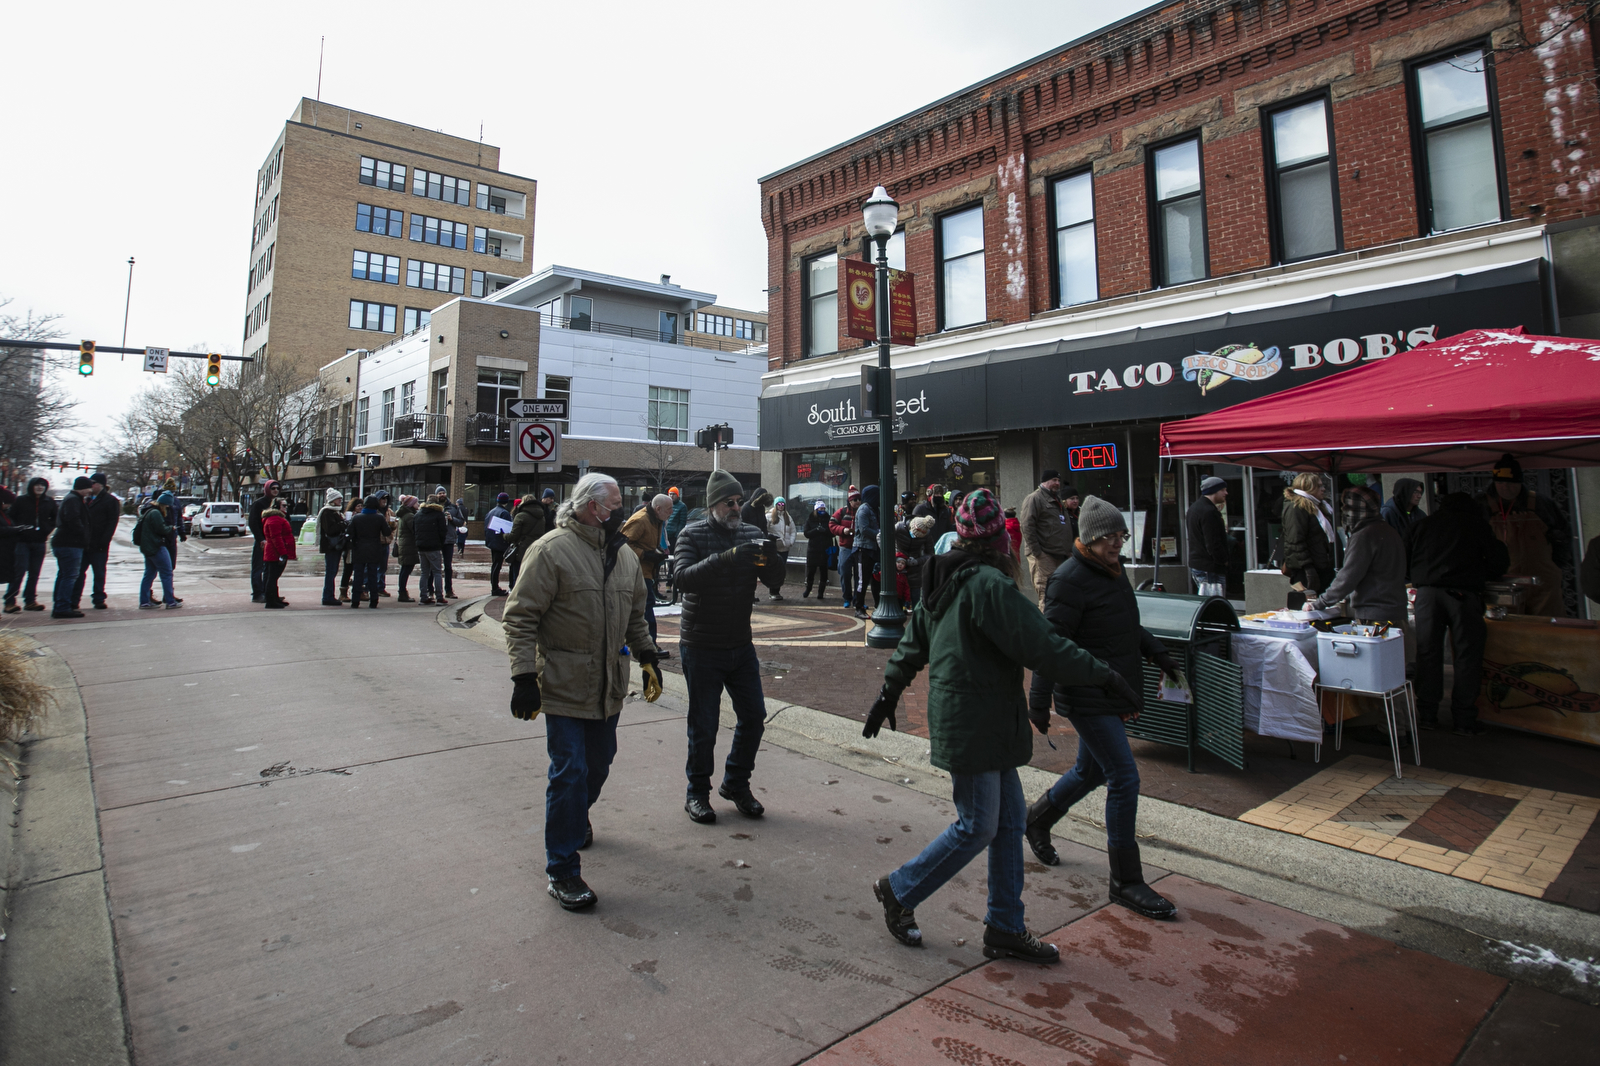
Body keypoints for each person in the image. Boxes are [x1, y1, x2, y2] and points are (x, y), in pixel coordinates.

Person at [864, 489, 1127, 961]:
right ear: (996, 544)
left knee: (1007, 824)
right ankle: (900, 890)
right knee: (978, 825)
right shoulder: (989, 586)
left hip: (979, 721)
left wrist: (889, 692)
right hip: (976, 723)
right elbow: (1045, 646)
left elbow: (912, 644)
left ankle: (1005, 923)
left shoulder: (944, 577)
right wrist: (1104, 675)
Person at [503, 473, 663, 911]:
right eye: (613, 506)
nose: (620, 513)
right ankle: (563, 869)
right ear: (592, 508)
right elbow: (519, 618)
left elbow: (635, 614)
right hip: (563, 684)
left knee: (598, 765)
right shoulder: (551, 551)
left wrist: (648, 656)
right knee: (569, 772)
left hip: (609, 684)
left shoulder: (624, 557)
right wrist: (522, 679)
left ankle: (577, 815)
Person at [1023, 497, 1184, 920]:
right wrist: (1038, 703)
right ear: (1090, 538)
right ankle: (1125, 880)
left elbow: (1127, 625)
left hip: (1114, 688)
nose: (1118, 543)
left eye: (1121, 535)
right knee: (1124, 777)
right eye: (1110, 537)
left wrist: (1160, 655)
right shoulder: (1068, 580)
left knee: (1090, 771)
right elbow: (1050, 647)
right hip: (1086, 693)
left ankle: (1036, 820)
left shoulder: (1112, 572)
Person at [672, 468, 784, 825]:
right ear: (713, 505)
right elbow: (682, 579)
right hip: (702, 644)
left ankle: (736, 783)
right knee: (704, 724)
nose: (736, 507)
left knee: (753, 716)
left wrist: (771, 558)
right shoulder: (692, 533)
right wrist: (727, 558)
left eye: (739, 501)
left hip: (740, 643)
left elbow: (774, 580)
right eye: (729, 502)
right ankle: (697, 793)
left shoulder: (751, 531)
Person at [1407, 492, 1510, 736]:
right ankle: (1464, 719)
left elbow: (1406, 560)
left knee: (1427, 653)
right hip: (1463, 596)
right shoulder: (1476, 525)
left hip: (1427, 595)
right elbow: (1498, 562)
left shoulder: (1423, 525)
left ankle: (1428, 715)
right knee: (1466, 656)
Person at [1480, 453, 1571, 617]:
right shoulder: (1482, 505)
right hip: (1502, 582)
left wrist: (1556, 565)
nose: (1506, 488)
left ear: (1520, 483)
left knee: (1547, 626)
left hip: (1543, 581)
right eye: (1501, 483)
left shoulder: (1541, 504)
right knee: (1506, 627)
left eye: (1512, 484)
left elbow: (1562, 536)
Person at [1306, 488, 1407, 628]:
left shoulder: (1364, 535)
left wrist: (1320, 603)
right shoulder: (1389, 530)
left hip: (1375, 615)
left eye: (1347, 507)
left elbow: (1349, 576)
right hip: (1396, 610)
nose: (1344, 512)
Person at [621, 494, 672, 640]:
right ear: (658, 508)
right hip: (638, 570)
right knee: (646, 606)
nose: (671, 512)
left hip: (646, 570)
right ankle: (650, 644)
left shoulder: (656, 519)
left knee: (645, 606)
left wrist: (657, 552)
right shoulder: (640, 520)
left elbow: (646, 542)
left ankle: (648, 643)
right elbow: (623, 543)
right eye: (669, 509)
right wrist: (645, 554)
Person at [1019, 470, 1074, 606]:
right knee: (1047, 595)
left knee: (1059, 594)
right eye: (1054, 480)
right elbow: (1026, 526)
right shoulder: (1034, 498)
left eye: (1058, 481)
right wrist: (1038, 552)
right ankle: (1045, 626)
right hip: (1044, 556)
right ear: (1044, 481)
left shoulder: (1057, 501)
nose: (1057, 483)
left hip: (1059, 556)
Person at [72, 472, 122, 610]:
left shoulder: (110, 501)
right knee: (79, 573)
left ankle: (99, 598)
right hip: (84, 543)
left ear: (100, 485)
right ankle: (74, 599)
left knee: (99, 572)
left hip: (99, 543)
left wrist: (104, 540)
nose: (90, 486)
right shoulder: (85, 499)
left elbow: (112, 522)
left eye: (93, 483)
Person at [1281, 472, 1335, 598]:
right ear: (1308, 488)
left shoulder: (1319, 506)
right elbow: (1295, 541)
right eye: (1319, 486)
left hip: (1322, 567)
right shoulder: (1296, 507)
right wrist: (1307, 569)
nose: (1323, 489)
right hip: (1308, 569)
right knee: (1308, 607)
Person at [6, 478, 55, 613]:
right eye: (37, 485)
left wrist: (46, 529)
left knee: (34, 573)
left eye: (43, 485)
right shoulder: (20, 500)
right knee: (19, 571)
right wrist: (18, 529)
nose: (40, 487)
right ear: (31, 486)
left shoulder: (49, 502)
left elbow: (55, 519)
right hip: (22, 541)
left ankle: (30, 601)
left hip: (39, 542)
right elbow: (10, 517)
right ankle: (9, 601)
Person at [50, 477, 94, 619]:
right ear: (82, 487)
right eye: (88, 488)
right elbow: (73, 520)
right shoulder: (73, 500)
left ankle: (60, 605)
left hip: (66, 543)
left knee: (64, 575)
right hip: (70, 543)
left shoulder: (73, 499)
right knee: (69, 576)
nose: (90, 491)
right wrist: (83, 533)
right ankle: (62, 607)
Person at [135, 492, 184, 610]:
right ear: (165, 504)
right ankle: (170, 601)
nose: (168, 508)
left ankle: (144, 601)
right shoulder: (156, 513)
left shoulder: (148, 511)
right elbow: (161, 529)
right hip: (156, 546)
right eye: (168, 506)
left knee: (149, 574)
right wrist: (171, 528)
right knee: (167, 573)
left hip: (148, 547)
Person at [1186, 476, 1230, 593]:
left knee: (1207, 602)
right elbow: (1212, 542)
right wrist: (1223, 560)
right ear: (1213, 491)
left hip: (1199, 564)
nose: (1226, 493)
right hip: (1210, 567)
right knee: (1215, 604)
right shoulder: (1209, 512)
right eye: (1222, 490)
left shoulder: (1194, 508)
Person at [347, 495, 392, 608]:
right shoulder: (379, 517)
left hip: (359, 549)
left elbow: (349, 533)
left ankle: (355, 600)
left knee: (358, 576)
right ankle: (373, 600)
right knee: (373, 575)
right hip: (374, 549)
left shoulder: (356, 518)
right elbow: (386, 532)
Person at [506, 491, 549, 589]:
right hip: (536, 549)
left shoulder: (520, 516)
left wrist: (504, 535)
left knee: (517, 575)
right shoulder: (542, 516)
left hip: (521, 550)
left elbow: (513, 536)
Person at [852, 485, 883, 619]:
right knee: (862, 581)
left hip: (875, 549)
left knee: (877, 578)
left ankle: (878, 605)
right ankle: (859, 607)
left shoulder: (877, 510)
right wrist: (880, 534)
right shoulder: (863, 509)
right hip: (863, 549)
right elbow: (864, 529)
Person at [414, 495, 451, 605]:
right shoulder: (439, 515)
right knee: (437, 572)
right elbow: (443, 531)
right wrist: (440, 543)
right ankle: (439, 597)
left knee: (424, 572)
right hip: (434, 546)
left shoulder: (418, 514)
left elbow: (414, 530)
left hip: (421, 546)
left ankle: (423, 596)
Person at [248, 479, 281, 603]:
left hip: (274, 541)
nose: (275, 491)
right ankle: (257, 593)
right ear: (267, 489)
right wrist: (260, 539)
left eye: (277, 488)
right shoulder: (259, 504)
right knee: (258, 567)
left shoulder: (278, 503)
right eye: (273, 488)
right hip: (263, 540)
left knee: (271, 568)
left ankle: (269, 592)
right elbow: (253, 522)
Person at [260, 497, 296, 609]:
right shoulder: (275, 519)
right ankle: (271, 601)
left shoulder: (275, 518)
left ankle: (274, 599)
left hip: (275, 552)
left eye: (286, 506)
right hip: (274, 553)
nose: (286, 508)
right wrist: (283, 553)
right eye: (283, 506)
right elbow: (276, 537)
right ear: (276, 507)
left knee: (273, 577)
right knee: (272, 577)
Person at [895, 514, 935, 608]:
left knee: (916, 598)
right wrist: (893, 556)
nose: (915, 537)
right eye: (915, 534)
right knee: (898, 599)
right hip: (898, 566)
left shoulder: (927, 534)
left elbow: (931, 554)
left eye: (919, 537)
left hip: (915, 569)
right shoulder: (899, 527)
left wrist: (917, 561)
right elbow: (881, 536)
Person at [830, 488, 861, 609]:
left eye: (859, 499)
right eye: (854, 500)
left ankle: (858, 599)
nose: (857, 502)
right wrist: (843, 530)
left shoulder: (863, 511)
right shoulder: (841, 512)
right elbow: (832, 525)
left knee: (860, 576)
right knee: (845, 573)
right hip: (845, 547)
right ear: (849, 501)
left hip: (859, 547)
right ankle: (847, 598)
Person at [317, 490, 346, 606]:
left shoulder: (336, 512)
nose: (340, 501)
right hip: (331, 546)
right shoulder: (327, 512)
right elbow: (330, 529)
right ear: (332, 500)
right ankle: (328, 596)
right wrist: (343, 524)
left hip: (335, 546)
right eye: (338, 498)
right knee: (331, 571)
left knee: (333, 571)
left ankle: (329, 595)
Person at [765, 496, 796, 601]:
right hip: (774, 547)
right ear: (775, 505)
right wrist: (771, 539)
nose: (781, 506)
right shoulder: (769, 516)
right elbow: (764, 530)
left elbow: (793, 531)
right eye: (779, 504)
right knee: (774, 569)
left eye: (783, 504)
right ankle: (773, 591)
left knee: (781, 569)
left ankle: (777, 590)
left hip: (784, 548)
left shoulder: (788, 517)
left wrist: (790, 542)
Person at [801, 500, 832, 600]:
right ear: (816, 509)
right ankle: (808, 589)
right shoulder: (810, 519)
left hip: (825, 549)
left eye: (823, 509)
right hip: (813, 550)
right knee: (811, 571)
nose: (822, 510)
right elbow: (806, 533)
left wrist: (825, 531)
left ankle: (821, 592)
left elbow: (833, 533)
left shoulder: (828, 519)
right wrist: (816, 530)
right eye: (820, 509)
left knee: (824, 572)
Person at [485, 492, 513, 596]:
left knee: (495, 565)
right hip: (500, 542)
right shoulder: (504, 513)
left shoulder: (491, 512)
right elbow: (507, 529)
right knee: (497, 565)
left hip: (492, 541)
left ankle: (494, 586)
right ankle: (495, 588)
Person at [393, 495, 420, 602]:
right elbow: (415, 529)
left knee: (405, 569)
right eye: (416, 502)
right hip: (408, 545)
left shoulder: (406, 514)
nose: (418, 504)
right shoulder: (409, 515)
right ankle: (402, 592)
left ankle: (402, 591)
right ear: (411, 504)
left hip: (406, 544)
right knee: (406, 569)